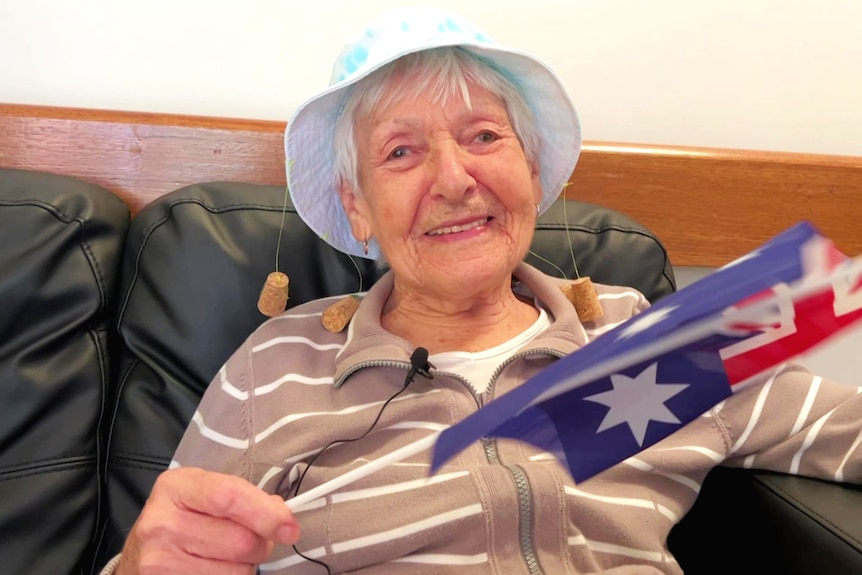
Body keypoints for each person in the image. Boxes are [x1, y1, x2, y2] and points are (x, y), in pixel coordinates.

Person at [104, 7, 862, 574]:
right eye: (402, 151)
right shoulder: (278, 364)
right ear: (359, 206)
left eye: (484, 136)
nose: (456, 178)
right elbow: (167, 552)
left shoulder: (641, 337)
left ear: (531, 172)